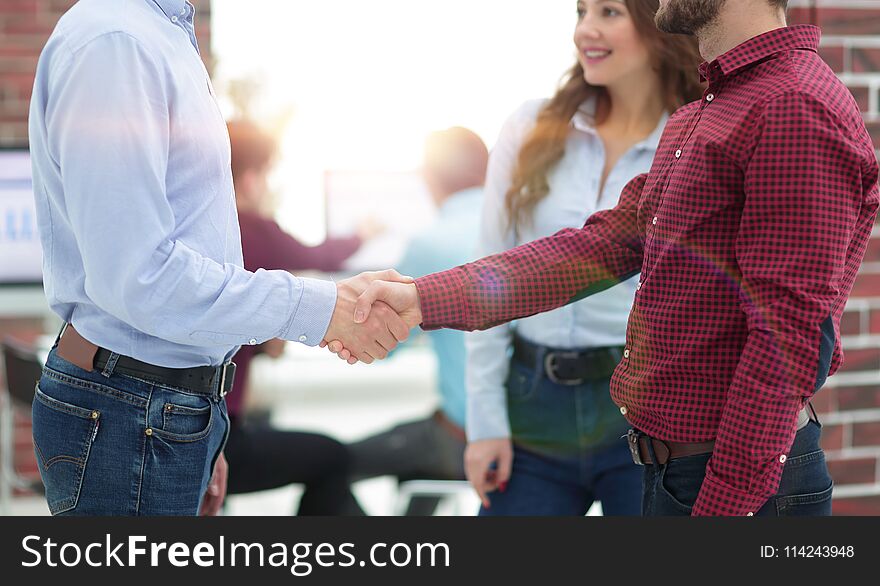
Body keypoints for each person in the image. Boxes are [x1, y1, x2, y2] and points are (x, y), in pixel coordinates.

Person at [339, 0, 880, 516]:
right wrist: (420, 298)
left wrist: (721, 507)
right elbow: (595, 248)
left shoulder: (793, 105)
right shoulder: (708, 110)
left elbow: (789, 339)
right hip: (673, 471)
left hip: (731, 483)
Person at [27, 0, 408, 516]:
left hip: (165, 408)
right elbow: (140, 277)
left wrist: (206, 419)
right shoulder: (117, 42)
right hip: (134, 410)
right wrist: (326, 311)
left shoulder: (161, 34)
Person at [463, 0, 703, 516]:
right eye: (580, 12)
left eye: (609, 12)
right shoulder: (531, 126)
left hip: (643, 405)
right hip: (531, 403)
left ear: (656, 24)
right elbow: (492, 272)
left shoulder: (690, 137)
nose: (585, 30)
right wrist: (484, 423)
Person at [224, 119, 379, 515]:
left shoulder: (199, 235)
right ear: (252, 176)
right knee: (331, 457)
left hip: (190, 424)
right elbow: (318, 257)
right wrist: (363, 233)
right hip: (220, 434)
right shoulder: (255, 230)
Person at [345, 127, 487, 515]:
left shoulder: (431, 242)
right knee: (419, 465)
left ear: (430, 177)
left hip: (464, 439)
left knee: (330, 463)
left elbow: (385, 344)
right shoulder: (524, 234)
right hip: (529, 438)